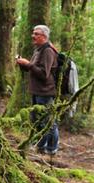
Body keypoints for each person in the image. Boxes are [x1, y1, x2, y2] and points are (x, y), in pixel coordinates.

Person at [16, 25, 59, 155]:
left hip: (45, 92)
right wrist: (22, 64)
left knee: (48, 121)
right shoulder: (38, 50)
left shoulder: (48, 51)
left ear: (44, 37)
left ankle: (51, 149)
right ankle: (41, 146)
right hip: (37, 91)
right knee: (38, 120)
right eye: (33, 33)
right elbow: (34, 69)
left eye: (36, 34)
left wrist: (27, 64)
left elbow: (43, 74)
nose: (33, 36)